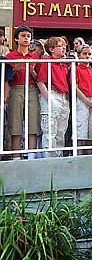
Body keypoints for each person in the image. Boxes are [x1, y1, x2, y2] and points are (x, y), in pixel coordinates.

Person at [6, 25, 41, 159]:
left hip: (32, 89)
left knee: (33, 121)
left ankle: (31, 156)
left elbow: (39, 79)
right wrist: (15, 69)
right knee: (15, 122)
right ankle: (16, 156)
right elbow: (6, 77)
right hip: (16, 88)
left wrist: (32, 71)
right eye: (23, 35)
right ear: (16, 38)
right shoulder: (10, 56)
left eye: (28, 36)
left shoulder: (34, 57)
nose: (26, 38)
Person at [37, 37, 70, 157]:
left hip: (63, 97)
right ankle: (50, 159)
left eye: (64, 45)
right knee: (50, 128)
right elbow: (41, 82)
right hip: (52, 94)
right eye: (60, 46)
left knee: (61, 130)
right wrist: (49, 99)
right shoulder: (47, 62)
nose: (64, 48)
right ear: (51, 49)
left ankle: (58, 156)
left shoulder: (64, 64)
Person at [75, 44, 92, 154]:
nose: (87, 56)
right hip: (82, 101)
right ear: (78, 55)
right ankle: (78, 155)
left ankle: (90, 156)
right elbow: (74, 87)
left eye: (89, 54)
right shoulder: (76, 69)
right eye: (84, 54)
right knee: (81, 129)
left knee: (91, 130)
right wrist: (86, 101)